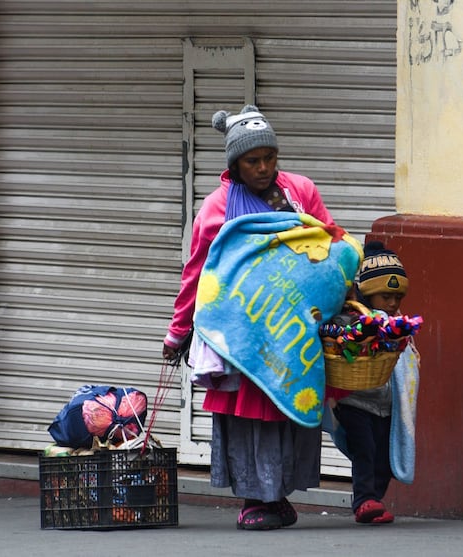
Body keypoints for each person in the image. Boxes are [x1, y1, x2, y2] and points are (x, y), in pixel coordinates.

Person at [162, 105, 340, 531]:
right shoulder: (216, 208)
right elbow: (198, 272)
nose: (263, 168)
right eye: (252, 161)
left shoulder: (301, 191)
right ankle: (254, 499)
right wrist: (177, 333)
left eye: (269, 158)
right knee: (251, 417)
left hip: (291, 327)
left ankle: (276, 497)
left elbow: (331, 242)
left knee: (287, 411)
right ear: (234, 164)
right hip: (242, 334)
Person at [332, 241, 410, 524]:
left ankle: (374, 498)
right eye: (385, 297)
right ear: (366, 291)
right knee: (364, 449)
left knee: (385, 457)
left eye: (397, 297)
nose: (392, 304)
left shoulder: (398, 322)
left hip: (386, 405)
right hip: (355, 401)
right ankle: (364, 500)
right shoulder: (351, 318)